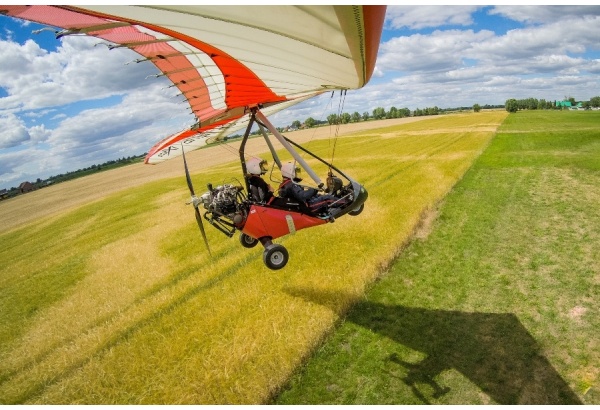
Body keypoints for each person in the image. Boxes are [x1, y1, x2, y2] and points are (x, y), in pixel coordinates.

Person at [278, 162, 343, 215]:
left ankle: (338, 201)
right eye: (296, 172)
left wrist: (314, 192)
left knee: (319, 196)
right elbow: (303, 196)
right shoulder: (291, 185)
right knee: (327, 198)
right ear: (290, 172)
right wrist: (315, 189)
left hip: (303, 204)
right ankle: (345, 203)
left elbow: (299, 195)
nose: (297, 174)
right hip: (308, 207)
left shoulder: (286, 184)